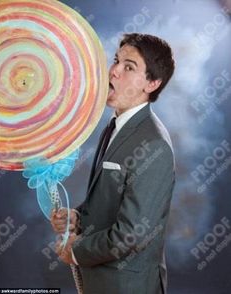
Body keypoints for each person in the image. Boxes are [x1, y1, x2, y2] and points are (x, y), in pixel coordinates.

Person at [51, 33, 175, 294]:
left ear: (152, 83)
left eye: (129, 67)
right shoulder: (115, 126)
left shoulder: (154, 144)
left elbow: (132, 234)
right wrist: (78, 218)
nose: (114, 70)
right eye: (116, 60)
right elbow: (111, 197)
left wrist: (76, 252)